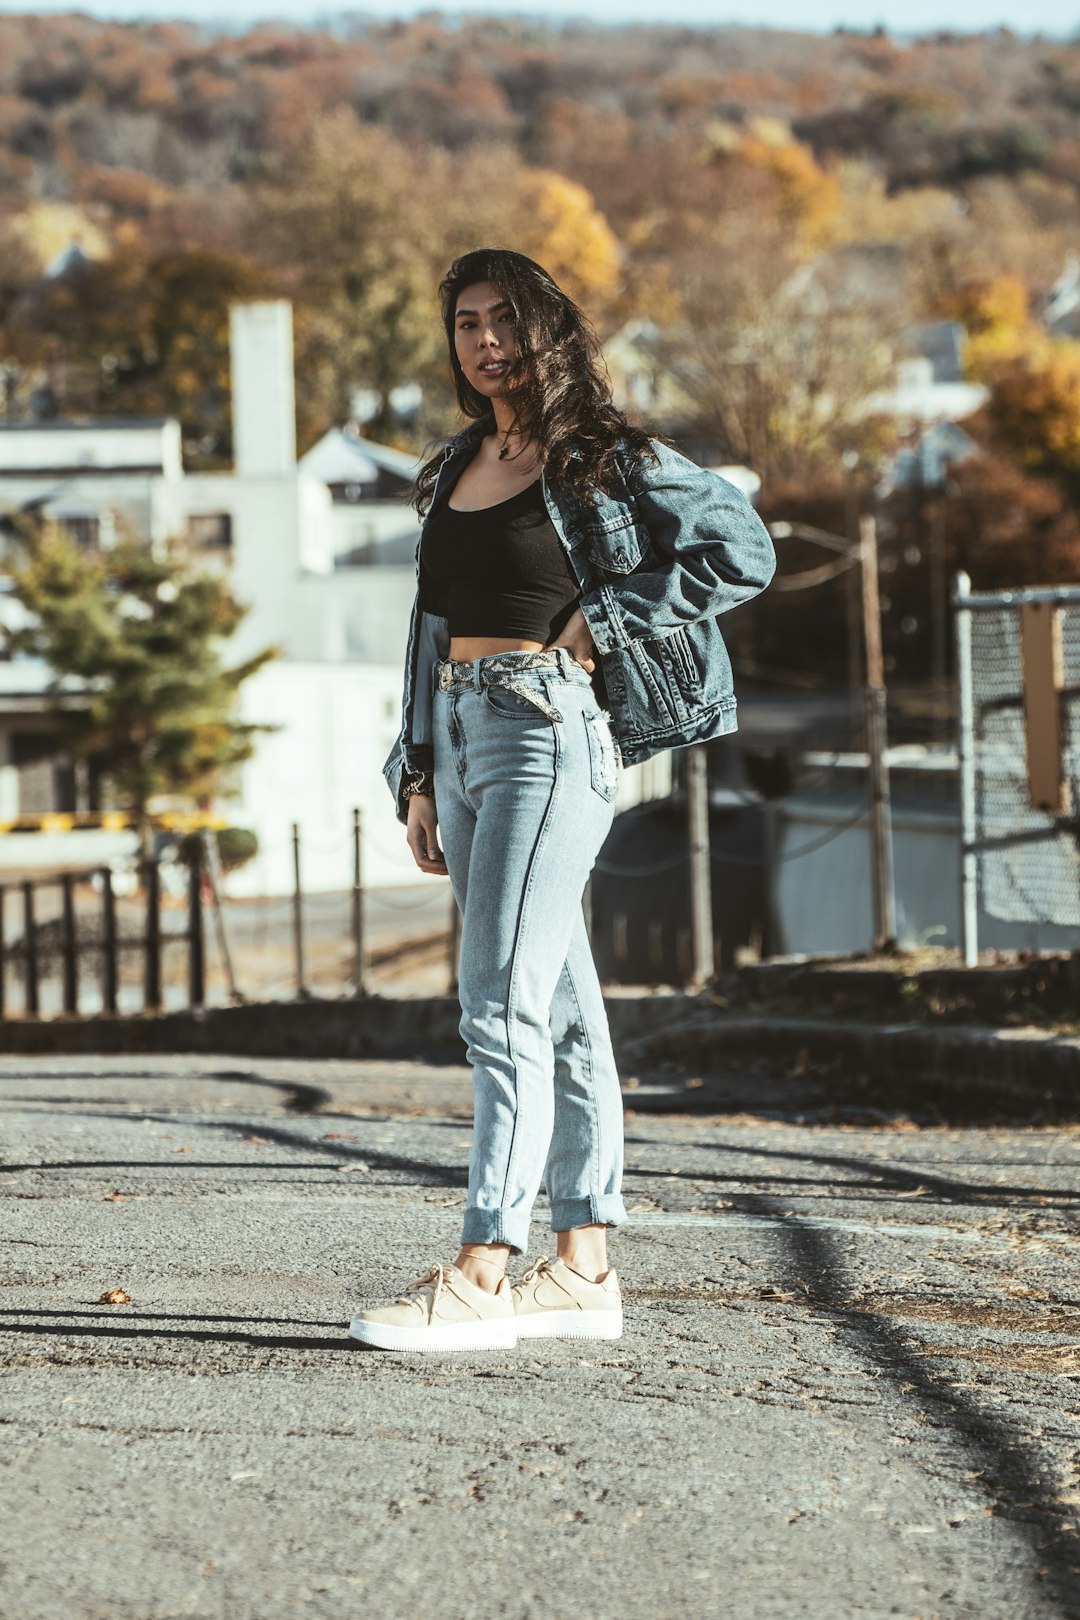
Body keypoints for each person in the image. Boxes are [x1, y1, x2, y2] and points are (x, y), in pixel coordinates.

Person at [347, 247, 775, 1353]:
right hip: (466, 732)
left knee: (496, 1000)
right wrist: (421, 770)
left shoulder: (607, 456)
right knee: (565, 1012)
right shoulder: (453, 464)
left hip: (550, 732)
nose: (487, 341)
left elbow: (743, 547)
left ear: (552, 333)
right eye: (468, 324)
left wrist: (611, 618)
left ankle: (483, 1269)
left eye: (506, 320)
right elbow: (430, 627)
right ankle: (583, 1264)